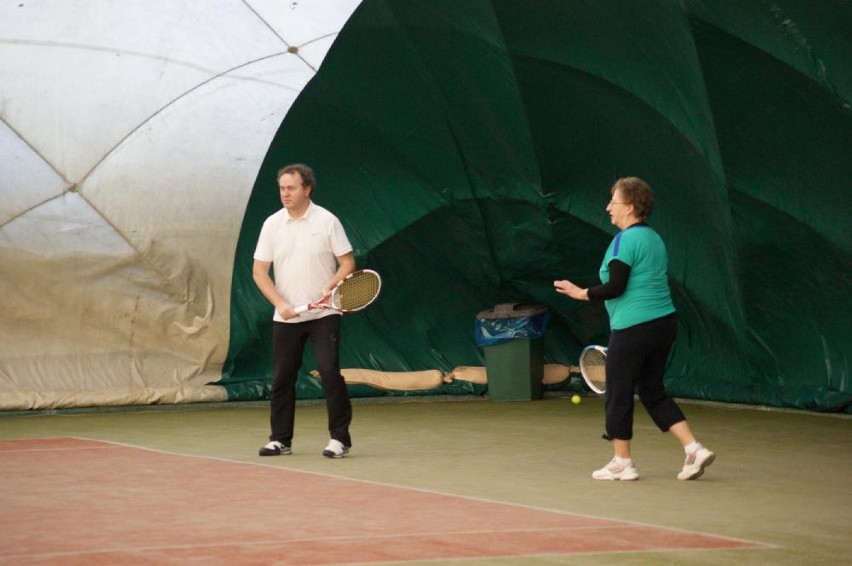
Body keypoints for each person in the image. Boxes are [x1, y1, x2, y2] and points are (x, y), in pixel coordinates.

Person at [554, 177, 714, 481]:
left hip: (634, 329)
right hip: (664, 325)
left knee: (618, 393)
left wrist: (581, 293)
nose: (608, 208)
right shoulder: (654, 239)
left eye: (613, 202)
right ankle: (694, 449)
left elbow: (615, 286)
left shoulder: (625, 241)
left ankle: (622, 462)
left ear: (629, 207)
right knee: (652, 391)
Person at [253, 163, 356, 459]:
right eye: (282, 188)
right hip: (287, 317)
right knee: (282, 377)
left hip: (325, 314)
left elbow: (347, 263)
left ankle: (340, 439)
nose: (285, 193)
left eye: (291, 188)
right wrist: (280, 304)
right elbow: (259, 272)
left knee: (328, 372)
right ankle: (280, 440)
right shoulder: (271, 224)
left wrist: (331, 286)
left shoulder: (327, 221)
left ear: (307, 189)